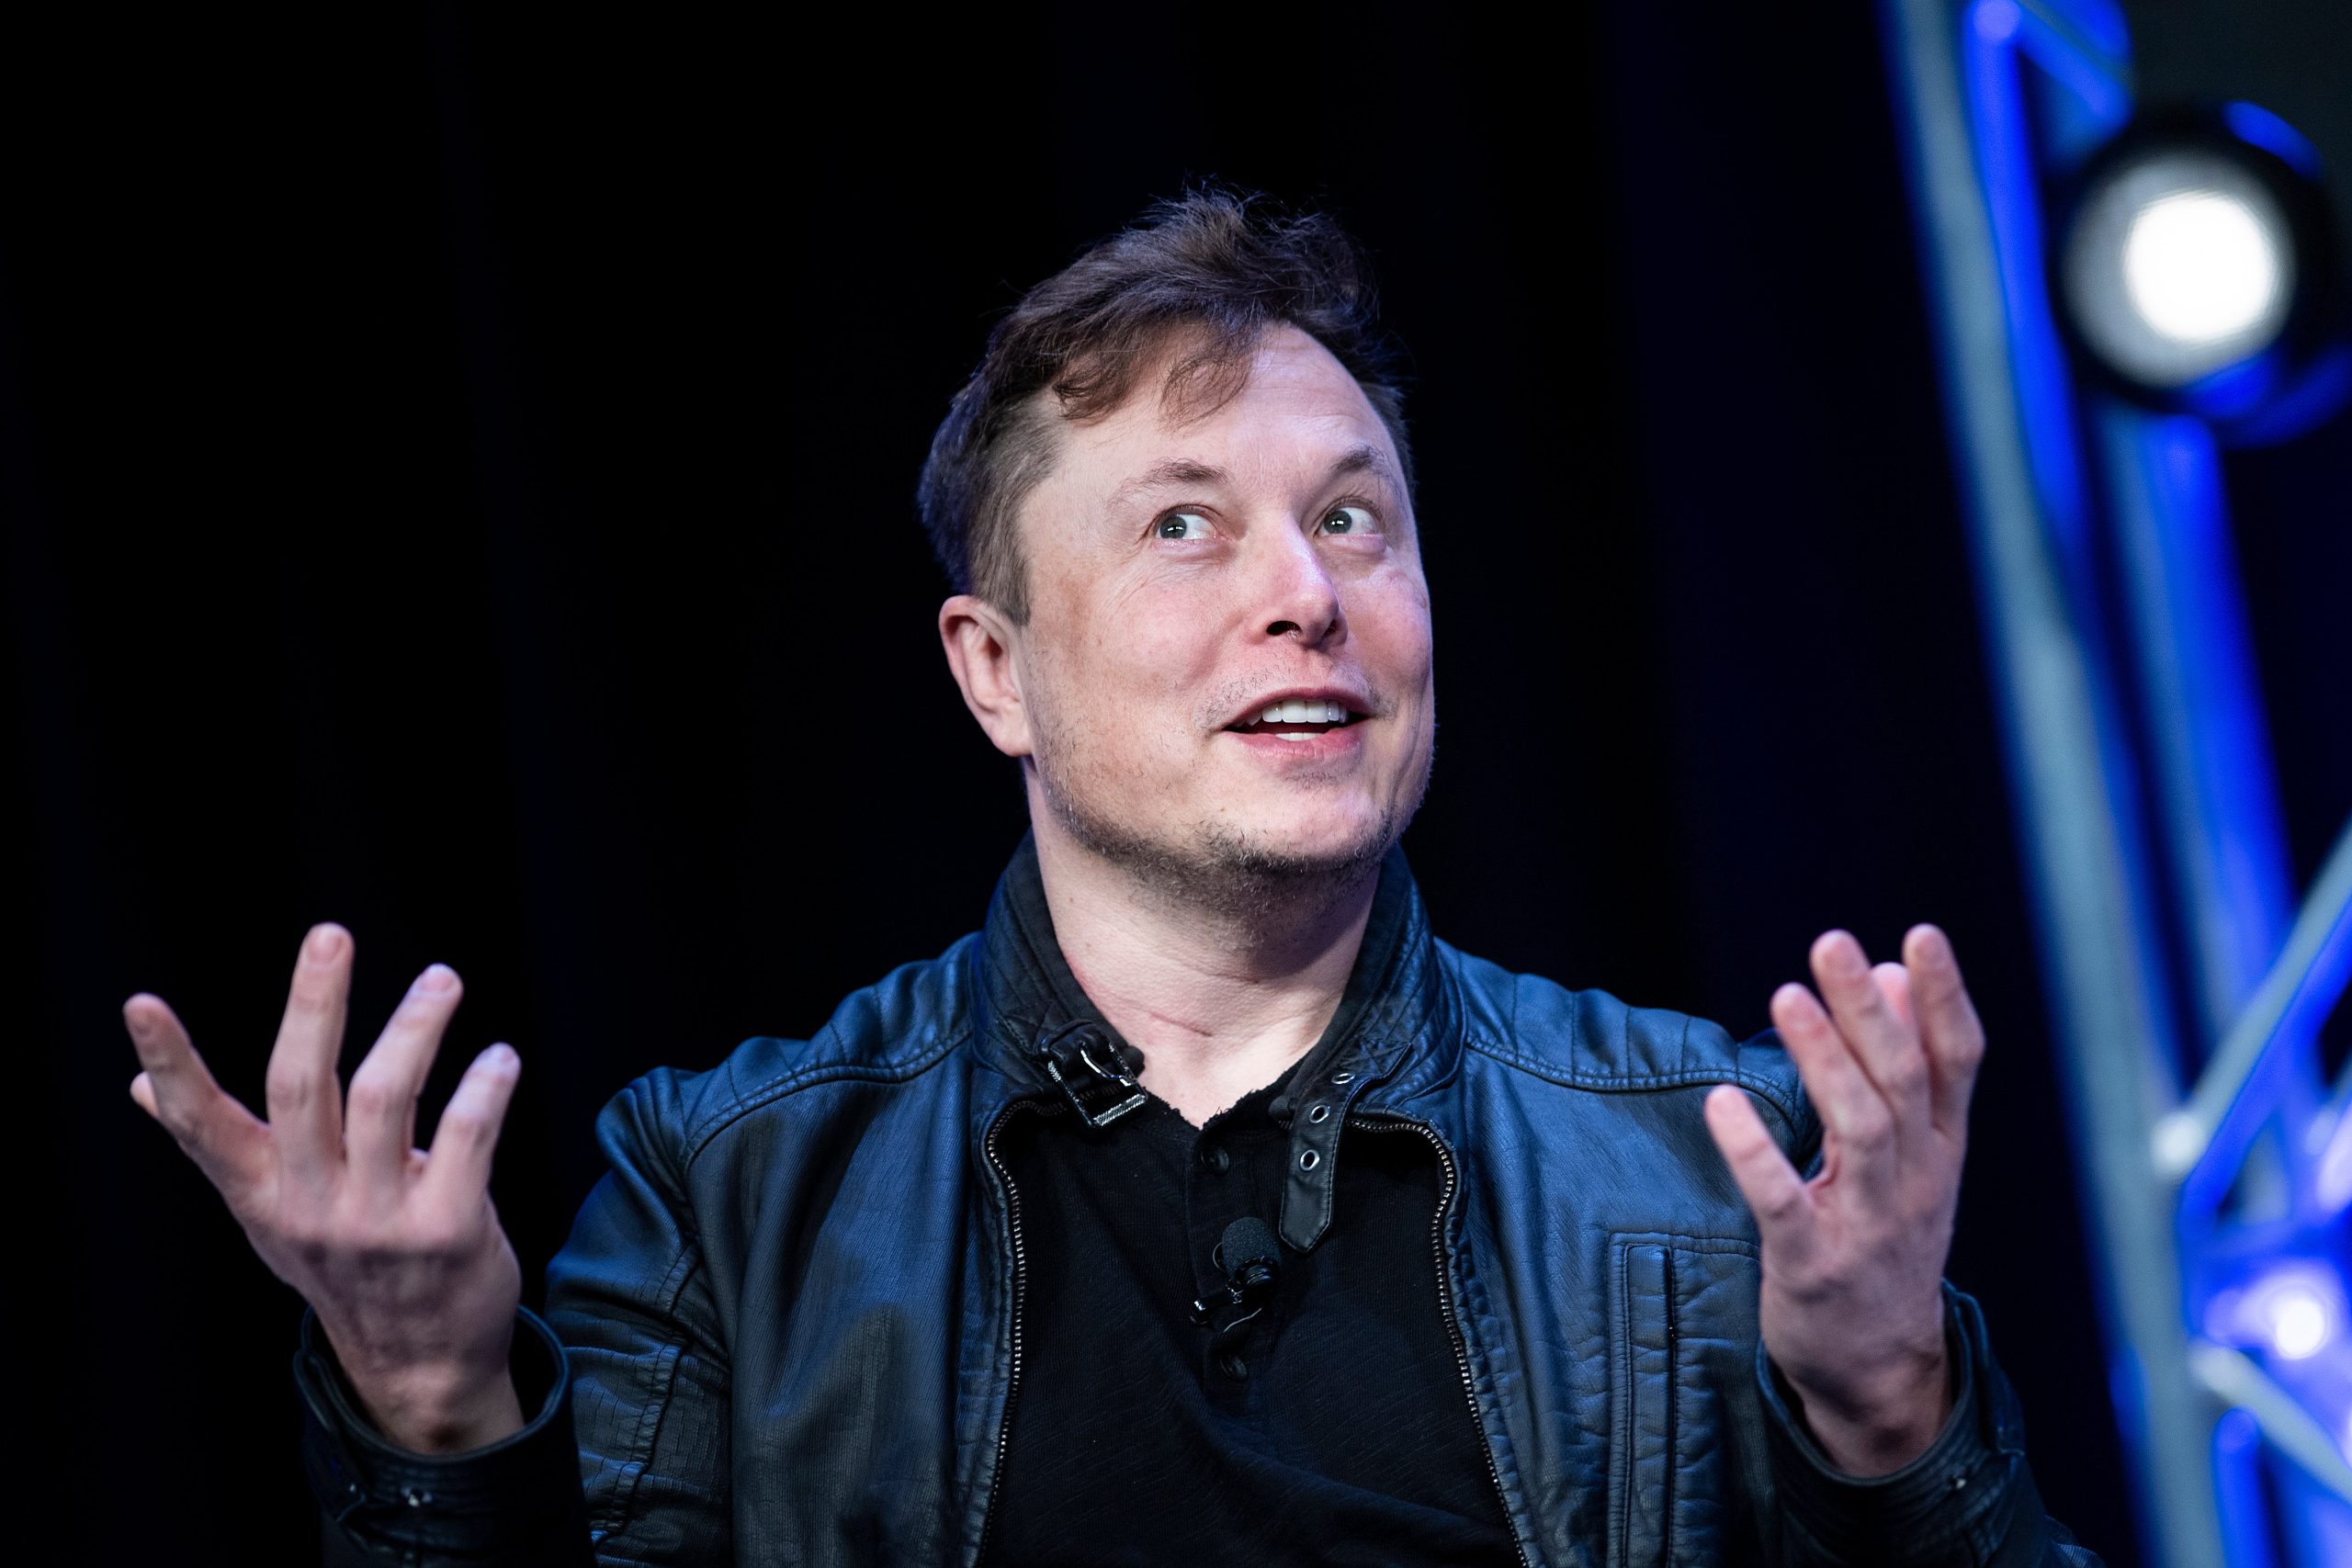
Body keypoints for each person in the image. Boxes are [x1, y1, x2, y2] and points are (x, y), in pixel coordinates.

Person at [124, 189, 2099, 1566]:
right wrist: (430, 1408)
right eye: (1184, 522)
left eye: (1351, 517)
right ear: (995, 670)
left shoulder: (1712, 1151)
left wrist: (1888, 1413)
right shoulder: (728, 1185)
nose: (1303, 593)